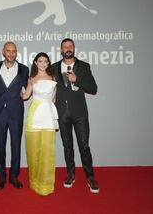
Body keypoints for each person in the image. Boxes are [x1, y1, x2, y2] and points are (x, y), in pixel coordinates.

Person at [52, 38, 99, 193]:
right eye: (65, 47)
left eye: (70, 46)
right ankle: (70, 174)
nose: (68, 49)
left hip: (80, 113)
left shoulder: (84, 67)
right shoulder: (53, 67)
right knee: (67, 146)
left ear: (74, 48)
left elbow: (93, 88)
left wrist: (76, 79)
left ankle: (90, 176)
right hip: (62, 114)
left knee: (84, 145)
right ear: (61, 50)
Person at [0, 42, 29, 190]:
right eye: (8, 51)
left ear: (16, 53)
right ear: (3, 52)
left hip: (16, 112)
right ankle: (1, 176)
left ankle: (14, 176)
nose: (11, 53)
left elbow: (29, 86)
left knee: (15, 145)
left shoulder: (24, 69)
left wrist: (23, 94)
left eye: (14, 51)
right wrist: (3, 96)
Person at [21, 52, 58, 196]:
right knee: (33, 150)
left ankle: (46, 185)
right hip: (34, 116)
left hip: (48, 116)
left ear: (48, 63)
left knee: (48, 152)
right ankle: (34, 182)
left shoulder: (53, 78)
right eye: (40, 61)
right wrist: (17, 90)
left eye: (45, 61)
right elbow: (25, 96)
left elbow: (54, 99)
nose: (43, 64)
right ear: (36, 63)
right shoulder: (31, 79)